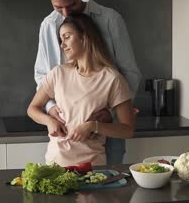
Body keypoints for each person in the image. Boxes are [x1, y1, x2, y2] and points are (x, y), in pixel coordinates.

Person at [34, 0, 141, 164]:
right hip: (66, 134)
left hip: (109, 126)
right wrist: (51, 110)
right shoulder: (49, 25)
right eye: (58, 8)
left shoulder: (110, 20)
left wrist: (110, 113)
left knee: (109, 186)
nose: (65, 13)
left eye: (71, 4)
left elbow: (129, 73)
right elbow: (42, 74)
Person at [28, 13, 136, 166]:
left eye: (67, 37)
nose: (62, 44)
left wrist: (94, 126)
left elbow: (128, 130)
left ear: (84, 37)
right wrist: (49, 121)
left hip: (92, 168)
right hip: (55, 165)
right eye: (61, 39)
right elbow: (33, 109)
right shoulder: (58, 73)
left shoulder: (112, 79)